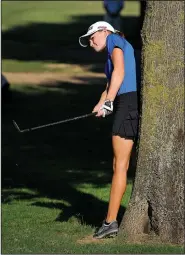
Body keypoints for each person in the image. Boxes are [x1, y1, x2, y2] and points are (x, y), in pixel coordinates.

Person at [79, 21, 138, 239]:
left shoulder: (115, 39)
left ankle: (110, 221)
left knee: (120, 165)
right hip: (123, 102)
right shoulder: (109, 56)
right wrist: (101, 102)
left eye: (92, 36)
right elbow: (110, 83)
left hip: (128, 102)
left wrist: (110, 101)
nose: (90, 40)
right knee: (117, 164)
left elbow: (120, 72)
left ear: (105, 31)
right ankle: (110, 220)